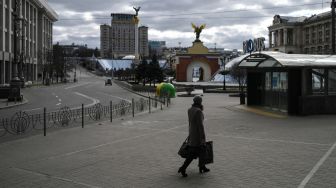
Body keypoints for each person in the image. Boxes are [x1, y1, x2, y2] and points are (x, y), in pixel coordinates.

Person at [178, 95, 210, 177]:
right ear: (200, 102)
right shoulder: (198, 111)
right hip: (197, 135)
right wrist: (202, 138)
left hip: (192, 133)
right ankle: (183, 168)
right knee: (193, 153)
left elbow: (190, 123)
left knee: (201, 151)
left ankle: (202, 166)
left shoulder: (190, 109)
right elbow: (200, 126)